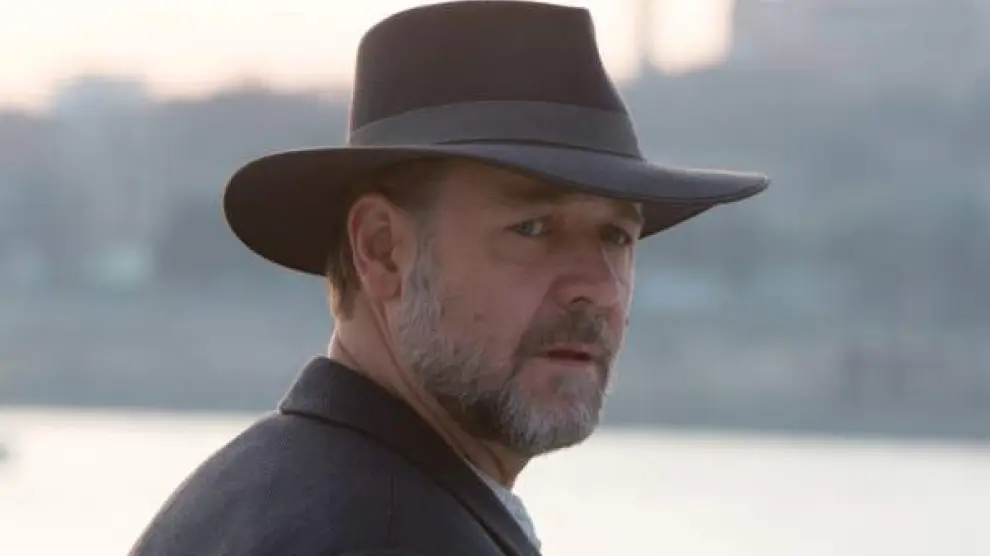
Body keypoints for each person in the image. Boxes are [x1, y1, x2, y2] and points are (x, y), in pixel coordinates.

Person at [128, 1, 769, 555]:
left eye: (616, 237)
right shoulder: (390, 536)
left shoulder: (259, 491)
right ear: (383, 251)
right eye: (532, 228)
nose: (597, 288)